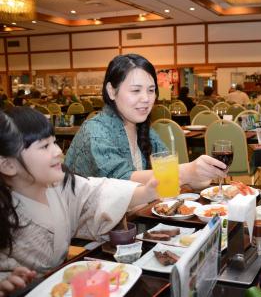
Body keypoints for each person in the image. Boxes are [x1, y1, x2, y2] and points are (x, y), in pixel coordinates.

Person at [0, 107, 159, 282]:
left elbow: (97, 192)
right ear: (7, 165)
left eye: (54, 142)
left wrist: (145, 192)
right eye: (44, 146)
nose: (58, 152)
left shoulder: (61, 186)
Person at [65, 54, 225, 188]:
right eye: (136, 90)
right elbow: (120, 181)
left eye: (151, 90)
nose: (146, 98)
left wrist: (199, 177)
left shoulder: (144, 129)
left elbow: (168, 169)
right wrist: (186, 172)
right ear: (111, 91)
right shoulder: (95, 132)